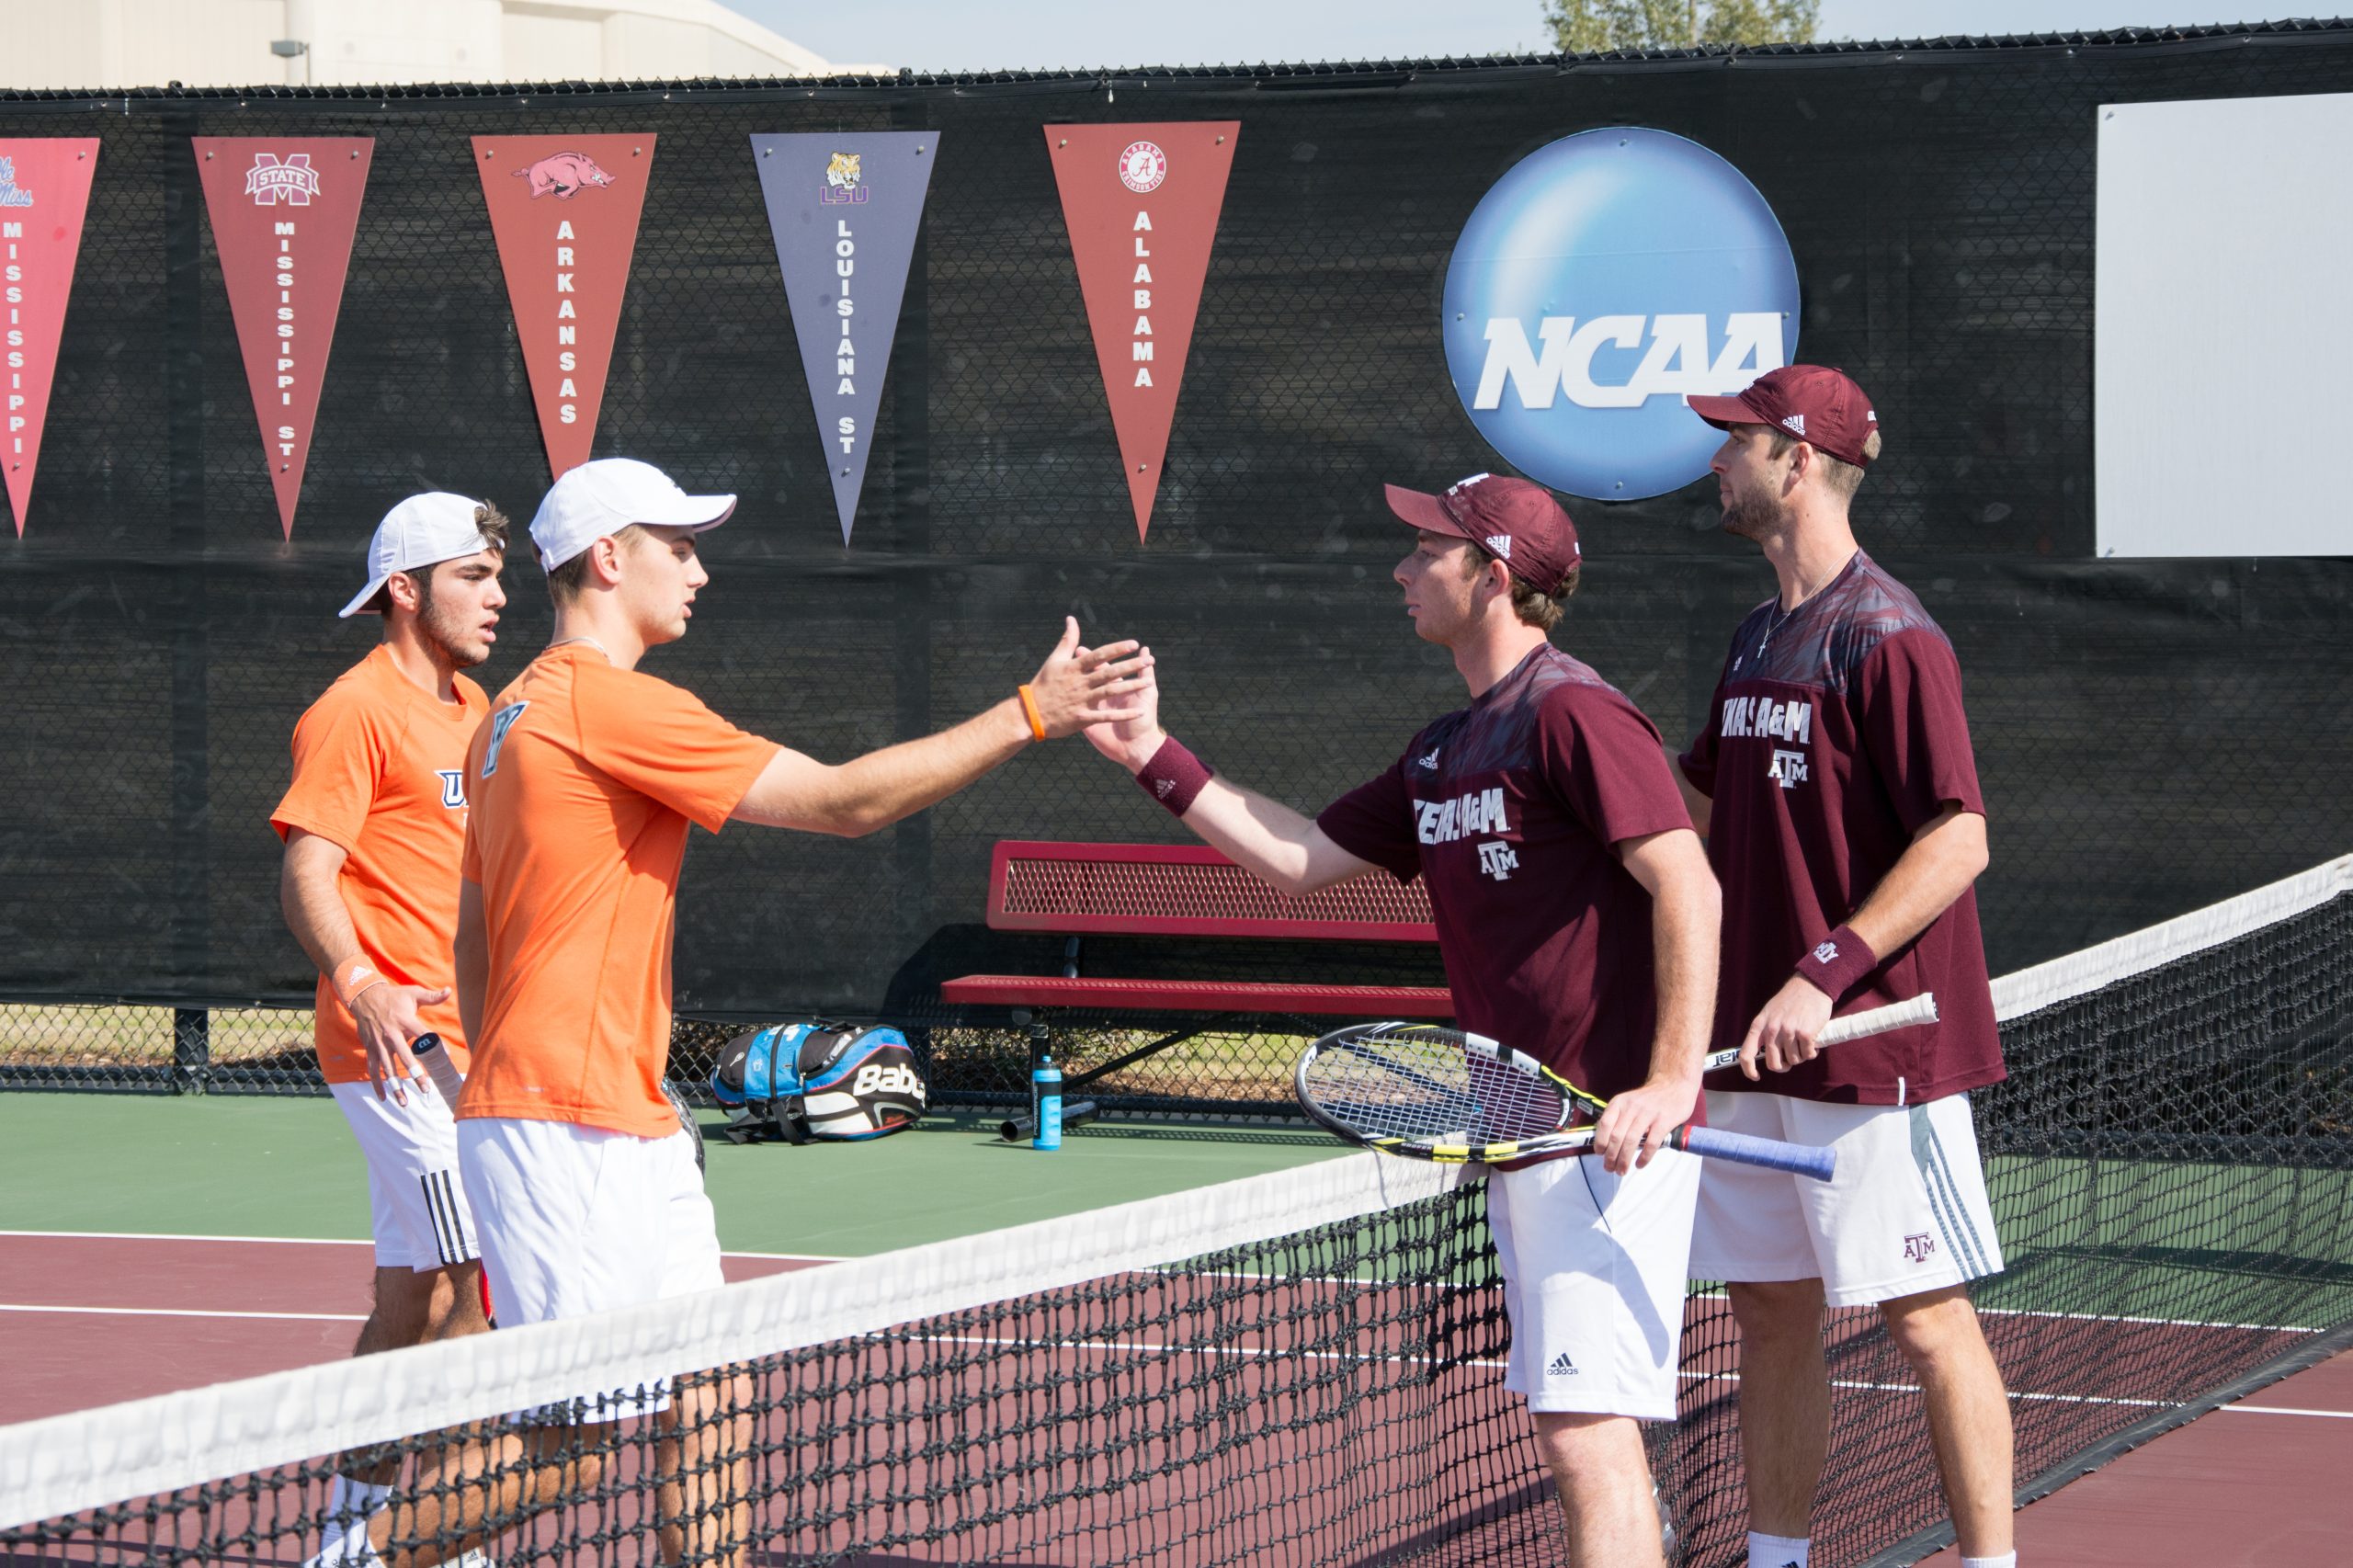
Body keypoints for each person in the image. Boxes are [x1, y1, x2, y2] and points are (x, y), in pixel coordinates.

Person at [335, 457, 1147, 1568]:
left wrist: (516, 1071)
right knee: (569, 1439)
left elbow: (474, 935)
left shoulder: (504, 716)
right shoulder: (603, 701)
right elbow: (844, 801)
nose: (700, 570)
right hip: (566, 1122)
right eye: (679, 546)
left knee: (707, 1386)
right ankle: (349, 1561)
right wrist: (1025, 714)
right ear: (610, 557)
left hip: (611, 1110)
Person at [1085, 474, 1720, 1568]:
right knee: (1582, 1435)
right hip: (1524, 1133)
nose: (1399, 567)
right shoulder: (1446, 747)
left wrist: (1668, 1083)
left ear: (1493, 575)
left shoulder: (1573, 710)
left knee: (1585, 1440)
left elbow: (1688, 883)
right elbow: (1297, 860)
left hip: (1602, 1135)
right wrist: (1150, 749)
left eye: (1425, 548)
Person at [1676, 366, 2017, 1568]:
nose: (1715, 461)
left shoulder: (1890, 634)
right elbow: (1697, 801)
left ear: (1799, 460)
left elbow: (1959, 834)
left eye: (1735, 443)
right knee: (1769, 1310)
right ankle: (1778, 1558)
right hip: (1749, 1043)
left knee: (1925, 1319)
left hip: (1874, 1047)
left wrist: (1824, 973)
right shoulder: (1759, 632)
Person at [271, 493, 509, 1561]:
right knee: (473, 1287)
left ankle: (347, 1539)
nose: (499, 596)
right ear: (405, 591)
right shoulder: (353, 710)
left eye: (501, 574)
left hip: (472, 1042)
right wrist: (362, 979)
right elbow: (305, 870)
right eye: (474, 575)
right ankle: (443, 1547)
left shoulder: (478, 707)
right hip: (401, 1052)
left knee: (411, 1296)